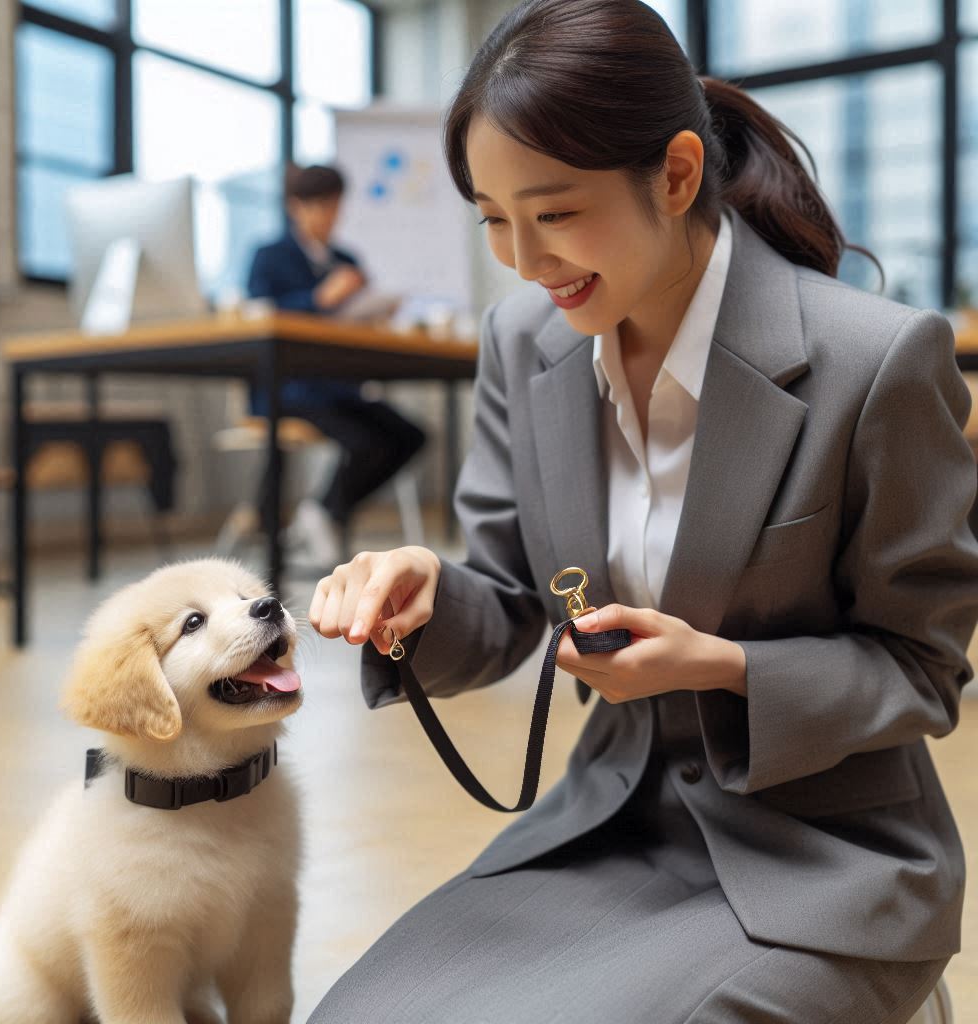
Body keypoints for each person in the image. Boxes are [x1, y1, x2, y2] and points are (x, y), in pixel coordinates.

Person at [306, 1, 978, 1020]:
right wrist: (427, 592)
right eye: (492, 218)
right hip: (608, 829)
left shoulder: (875, 362)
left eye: (556, 212)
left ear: (674, 174)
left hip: (828, 861)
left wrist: (724, 667)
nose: (525, 261)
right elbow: (503, 602)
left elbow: (922, 668)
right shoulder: (525, 342)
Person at [246, 163, 426, 567]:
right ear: (296, 207)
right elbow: (258, 314)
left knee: (410, 436)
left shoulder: (347, 260)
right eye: (319, 207)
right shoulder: (269, 256)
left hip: (338, 387)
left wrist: (376, 314)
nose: (328, 216)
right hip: (287, 390)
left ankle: (323, 511)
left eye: (334, 207)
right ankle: (322, 515)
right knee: (364, 442)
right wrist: (319, 299)